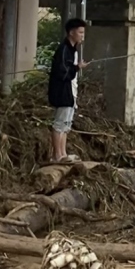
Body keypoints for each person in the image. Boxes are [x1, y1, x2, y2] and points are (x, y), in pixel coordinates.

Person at [48, 18, 88, 163]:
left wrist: (77, 67)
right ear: (71, 32)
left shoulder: (72, 50)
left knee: (66, 123)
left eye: (83, 32)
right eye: (80, 32)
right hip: (62, 91)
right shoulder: (64, 49)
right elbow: (63, 72)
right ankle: (57, 155)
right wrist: (77, 68)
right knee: (59, 123)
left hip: (70, 91)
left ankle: (63, 153)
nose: (82, 35)